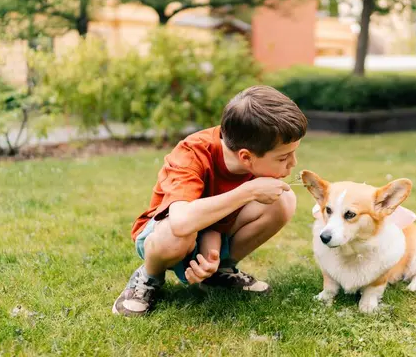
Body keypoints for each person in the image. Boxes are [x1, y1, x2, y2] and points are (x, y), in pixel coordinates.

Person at [113, 85, 307, 317]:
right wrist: (248, 191)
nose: (293, 163)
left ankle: (220, 273)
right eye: (284, 157)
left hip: (212, 228)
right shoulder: (192, 153)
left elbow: (218, 220)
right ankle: (148, 278)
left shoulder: (254, 146)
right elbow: (181, 223)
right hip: (166, 234)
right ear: (246, 156)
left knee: (283, 200)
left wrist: (211, 257)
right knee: (176, 237)